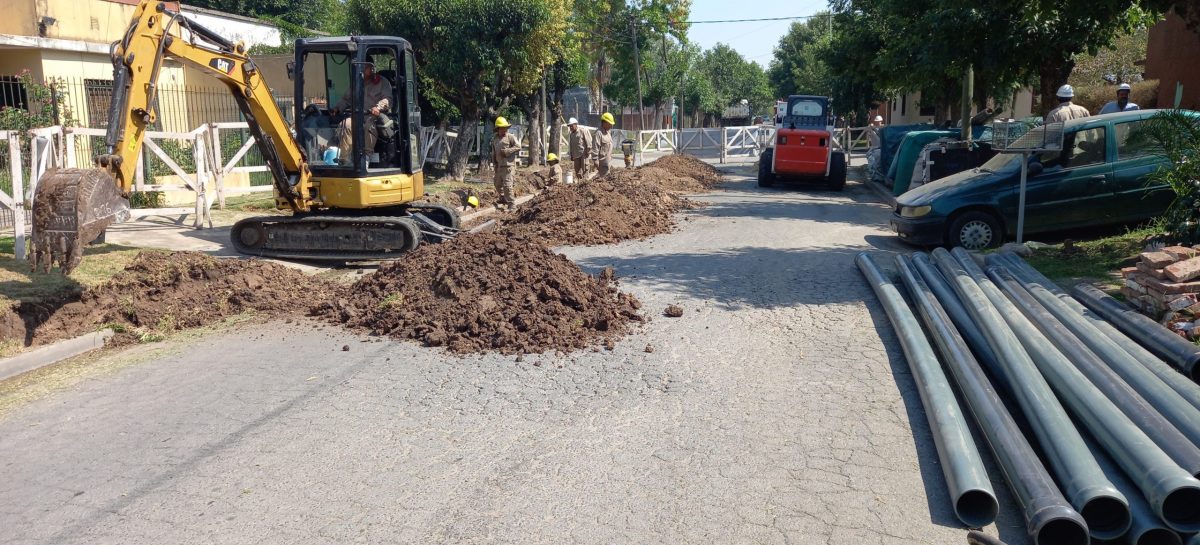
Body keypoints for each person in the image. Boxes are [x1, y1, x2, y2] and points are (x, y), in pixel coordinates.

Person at [332, 58, 392, 166]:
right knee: (346, 124)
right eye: (362, 67)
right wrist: (337, 108)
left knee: (369, 125)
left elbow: (388, 99)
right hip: (359, 115)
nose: (364, 69)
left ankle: (366, 157)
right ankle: (344, 159)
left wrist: (378, 107)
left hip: (375, 116)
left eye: (366, 67)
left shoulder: (382, 82)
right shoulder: (357, 83)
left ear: (372, 67)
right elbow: (346, 99)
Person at [490, 117, 521, 210]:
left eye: (505, 128)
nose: (504, 129)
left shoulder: (510, 137)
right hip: (499, 166)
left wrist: (508, 151)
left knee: (507, 186)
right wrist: (494, 164)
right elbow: (494, 152)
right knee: (497, 184)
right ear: (498, 129)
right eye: (502, 128)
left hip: (508, 166)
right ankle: (503, 198)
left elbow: (518, 146)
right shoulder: (495, 139)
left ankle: (512, 205)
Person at [593, 112, 615, 176]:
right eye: (610, 124)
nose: (611, 126)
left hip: (608, 161)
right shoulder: (598, 133)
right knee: (604, 180)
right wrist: (595, 161)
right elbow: (595, 148)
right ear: (604, 122)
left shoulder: (608, 132)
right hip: (602, 164)